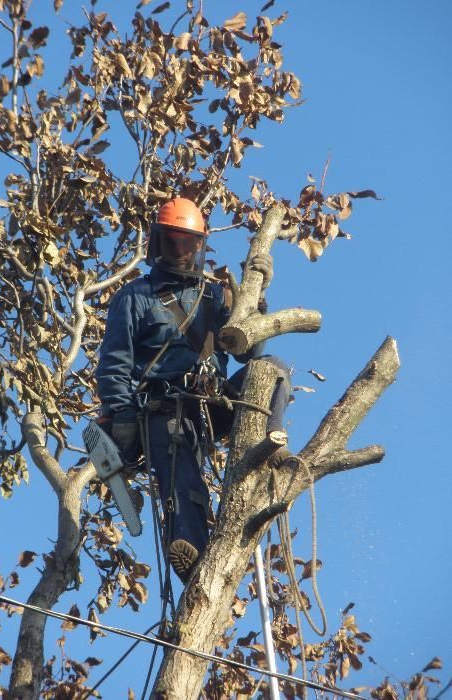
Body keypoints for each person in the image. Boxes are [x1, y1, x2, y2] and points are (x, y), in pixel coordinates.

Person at [96, 198, 291, 582]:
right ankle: (194, 559)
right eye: (172, 242)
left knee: (272, 370)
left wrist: (257, 302)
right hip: (164, 409)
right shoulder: (135, 297)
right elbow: (114, 362)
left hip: (212, 402)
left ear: (199, 245)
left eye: (187, 242)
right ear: (159, 243)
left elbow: (249, 349)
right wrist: (121, 416)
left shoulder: (215, 296)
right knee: (181, 473)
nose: (180, 251)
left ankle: (271, 444)